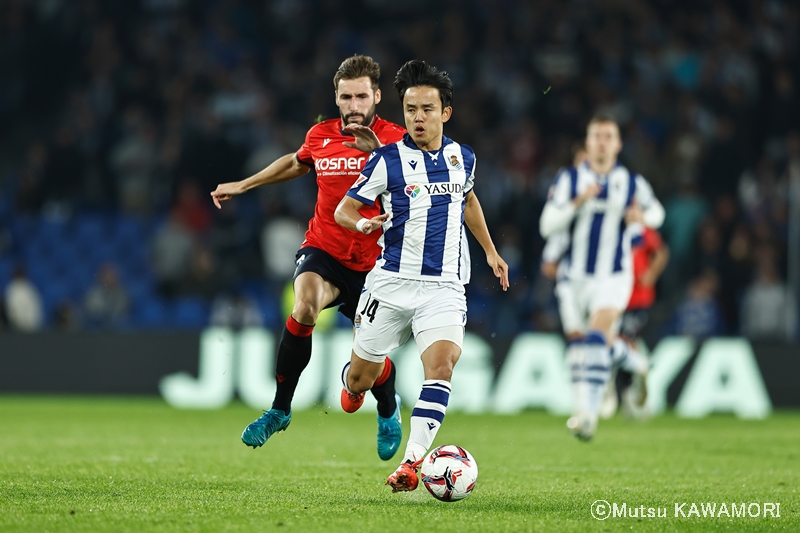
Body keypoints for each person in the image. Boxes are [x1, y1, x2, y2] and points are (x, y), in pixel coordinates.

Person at [210, 55, 406, 455]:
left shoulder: (398, 139)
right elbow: (297, 163)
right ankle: (279, 410)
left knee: (362, 374)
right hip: (325, 249)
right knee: (304, 307)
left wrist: (379, 153)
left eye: (361, 97)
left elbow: (414, 187)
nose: (354, 105)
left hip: (377, 263)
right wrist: (244, 185)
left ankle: (388, 407)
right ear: (336, 98)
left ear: (376, 97)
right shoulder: (321, 135)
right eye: (346, 97)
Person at [334, 60, 509, 492]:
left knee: (441, 365)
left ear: (445, 112)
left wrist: (490, 251)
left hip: (444, 286)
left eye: (427, 109)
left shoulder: (462, 157)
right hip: (390, 284)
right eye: (410, 109)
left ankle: (411, 462)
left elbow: (469, 201)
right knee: (359, 381)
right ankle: (361, 384)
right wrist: (363, 224)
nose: (417, 117)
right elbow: (344, 209)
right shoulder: (386, 160)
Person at [539, 114, 664, 441]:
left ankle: (589, 416)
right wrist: (579, 201)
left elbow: (657, 213)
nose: (602, 142)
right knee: (580, 346)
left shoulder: (631, 182)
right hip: (573, 279)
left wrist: (642, 216)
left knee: (596, 337)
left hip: (612, 277)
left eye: (609, 136)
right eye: (597, 136)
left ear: (618, 144)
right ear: (588, 142)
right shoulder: (569, 180)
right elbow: (547, 226)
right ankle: (635, 363)